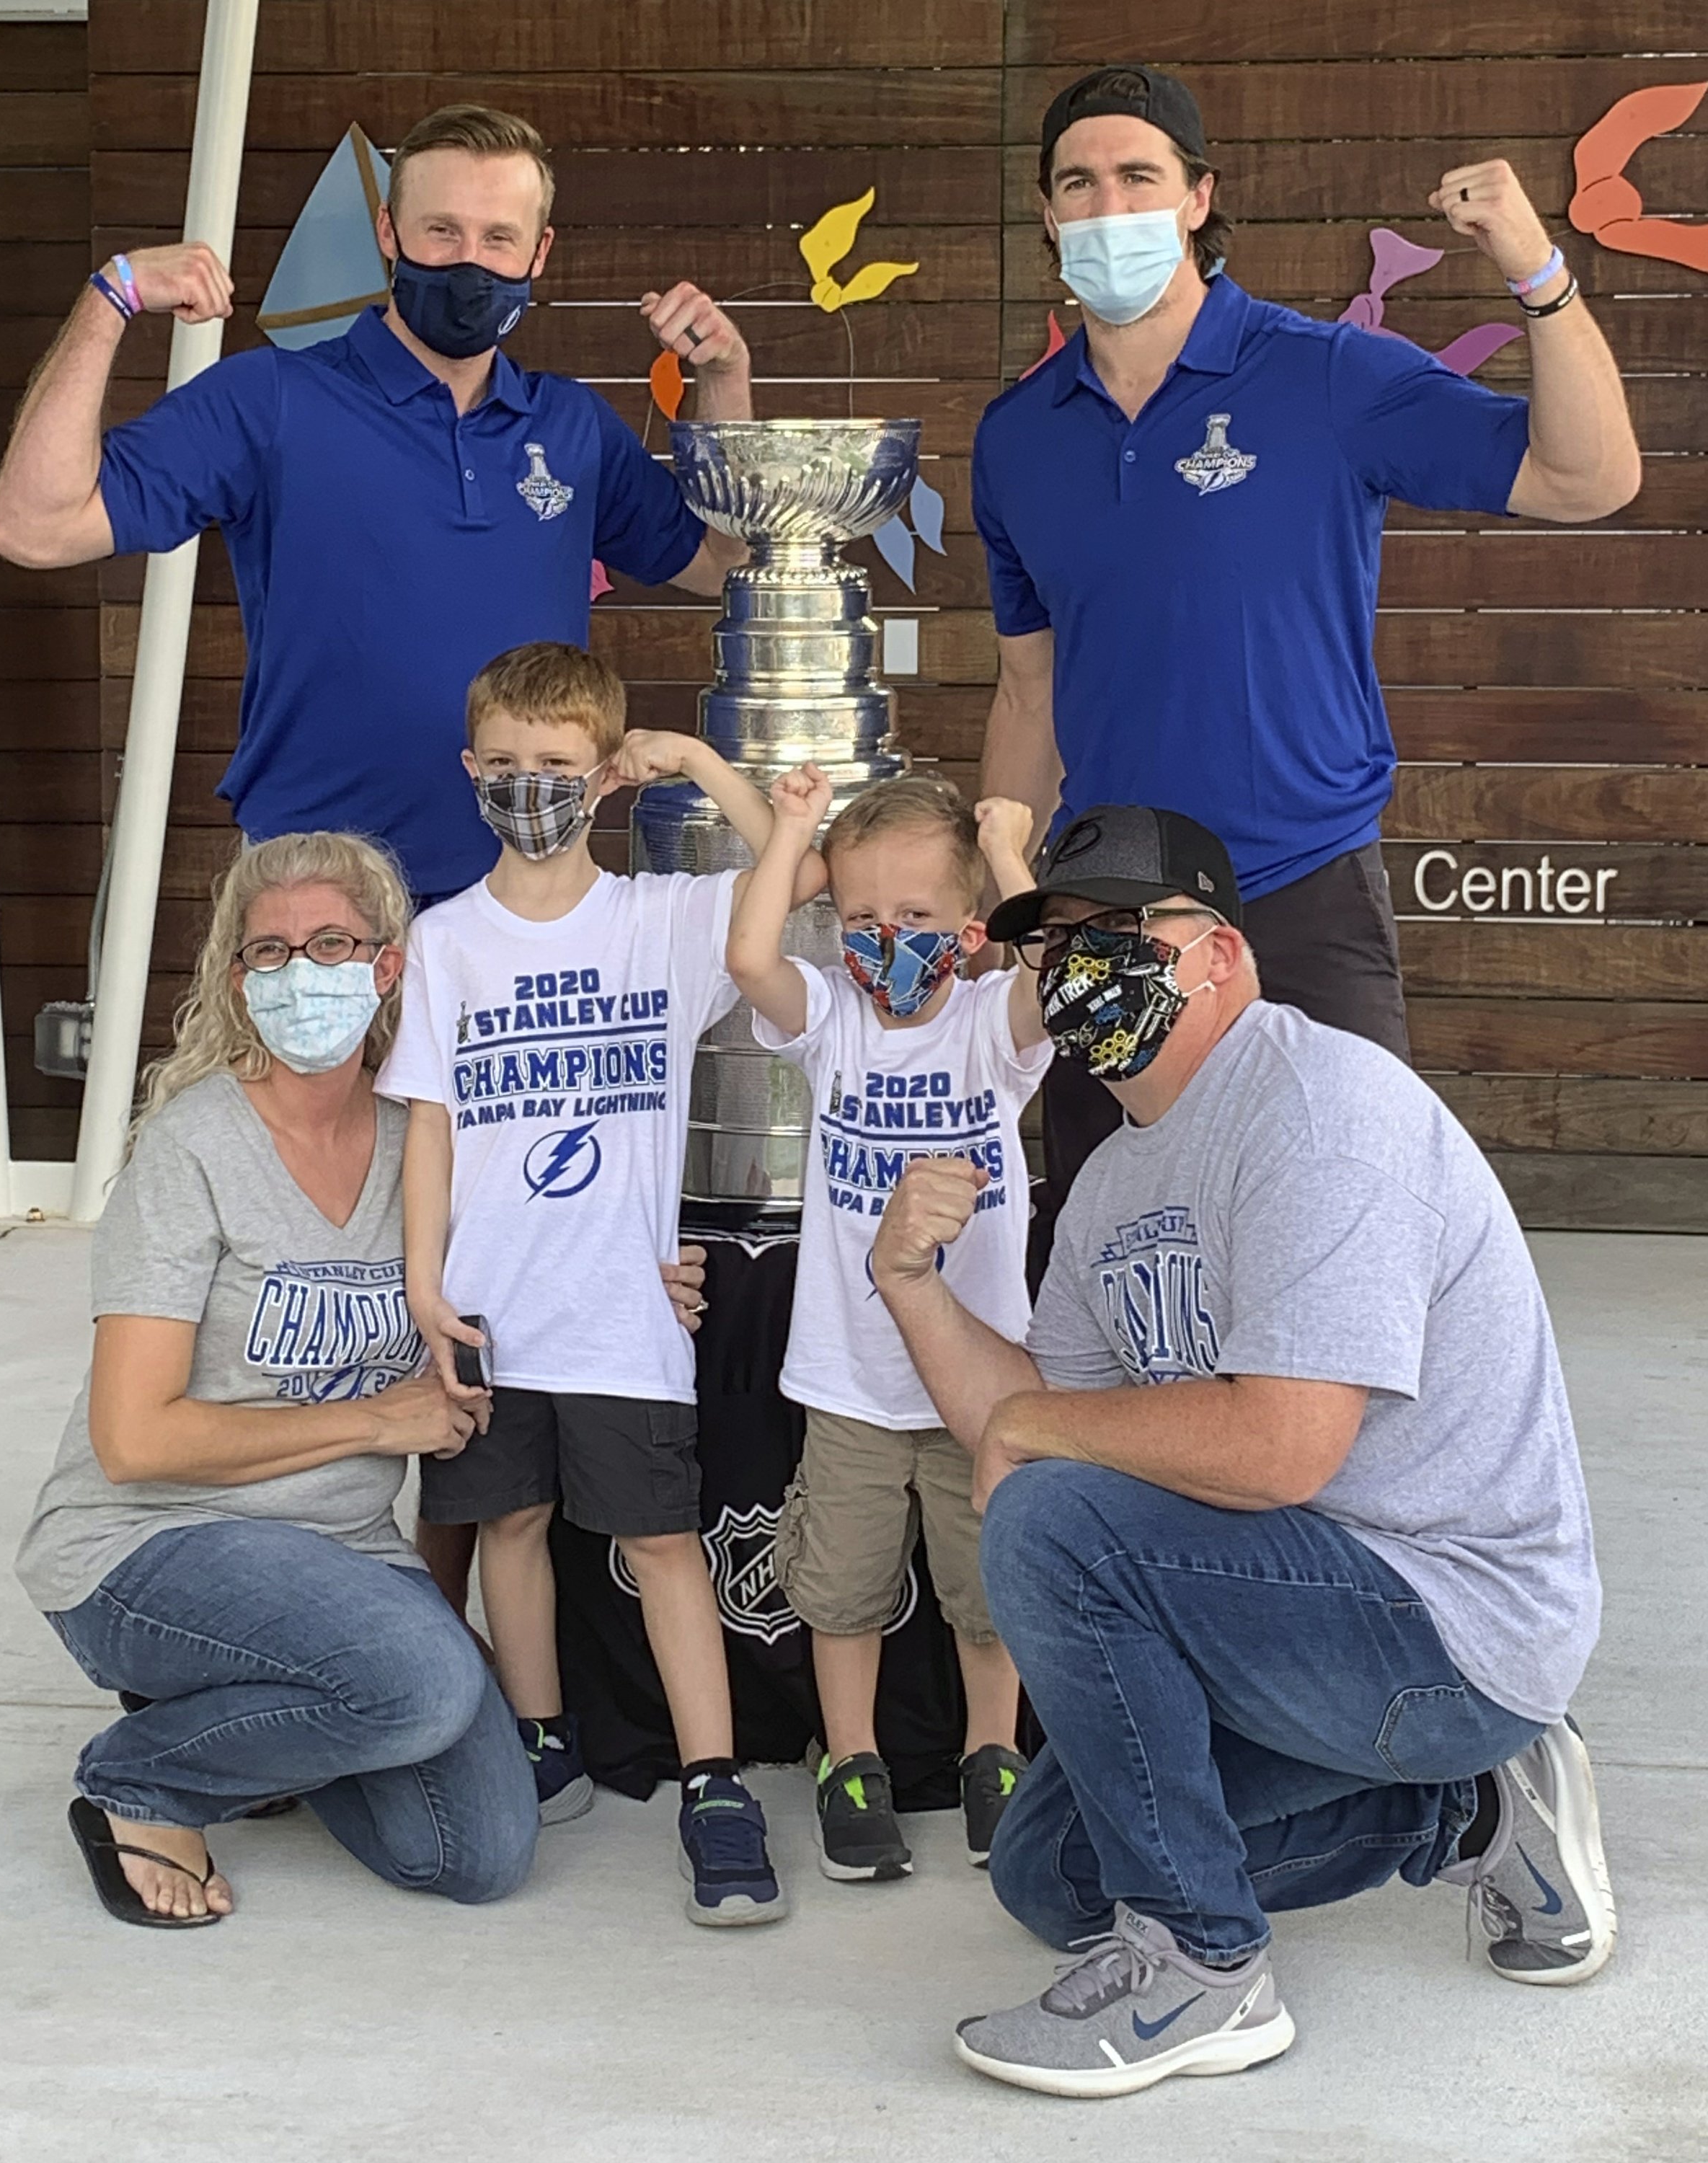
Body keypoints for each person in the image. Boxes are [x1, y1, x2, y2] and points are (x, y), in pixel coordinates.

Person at [868, 802, 1612, 2096]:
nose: (1072, 971)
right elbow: (1045, 1406)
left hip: (1445, 1619)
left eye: (1115, 933)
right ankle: (1474, 1810)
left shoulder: (1318, 1109)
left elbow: (1278, 1448)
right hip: (1300, 1609)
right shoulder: (1111, 1181)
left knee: (1049, 1513)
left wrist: (1038, 1435)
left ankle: (1204, 1971)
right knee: (1053, 1875)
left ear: (1214, 953)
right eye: (1054, 946)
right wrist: (909, 1283)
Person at [973, 65, 1644, 1201]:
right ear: (1046, 215)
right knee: (1108, 1265)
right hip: (1106, 913)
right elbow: (1027, 693)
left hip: (1298, 894)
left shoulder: (1326, 375)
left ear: (1196, 197)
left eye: (1137, 176)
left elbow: (1589, 478)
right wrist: (1003, 915)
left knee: (1344, 1236)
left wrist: (1535, 275)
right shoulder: (1013, 438)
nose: (1106, 207)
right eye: (1076, 184)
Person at [0, 99, 751, 903]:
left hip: (521, 899)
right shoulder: (271, 399)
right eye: (440, 231)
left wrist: (723, 378)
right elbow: (32, 527)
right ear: (388, 234)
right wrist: (113, 297)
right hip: (322, 904)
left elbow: (719, 562)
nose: (468, 262)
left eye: (498, 238)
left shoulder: (572, 426)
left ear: (539, 252)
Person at [378, 642, 826, 1927]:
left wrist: (687, 761)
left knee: (660, 1542)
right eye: (507, 766)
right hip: (491, 1307)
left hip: (625, 1312)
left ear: (601, 776)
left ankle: (713, 1781)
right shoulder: (448, 939)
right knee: (508, 1526)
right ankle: (540, 1733)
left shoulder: (658, 920)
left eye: (559, 767)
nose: (531, 787)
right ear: (470, 772)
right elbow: (430, 1126)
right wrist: (423, 1283)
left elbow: (794, 890)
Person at [16, 833, 523, 1927]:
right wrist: (378, 1420)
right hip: (150, 1543)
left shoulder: (419, 1144)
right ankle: (140, 1778)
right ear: (238, 980)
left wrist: (653, 1273)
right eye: (270, 952)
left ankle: (265, 1705)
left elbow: (541, 1242)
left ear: (386, 966)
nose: (302, 973)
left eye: (331, 942)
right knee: (422, 1684)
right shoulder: (193, 1150)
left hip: (341, 1552)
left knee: (470, 1851)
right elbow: (133, 1442)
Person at [725, 772, 1052, 1880]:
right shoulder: (831, 1023)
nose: (885, 940)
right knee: (843, 1587)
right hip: (850, 1376)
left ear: (967, 931)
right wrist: (793, 840)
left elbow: (1065, 982)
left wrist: (1008, 855)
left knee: (986, 1590)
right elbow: (749, 960)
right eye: (861, 918)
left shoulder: (989, 1030)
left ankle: (992, 1754)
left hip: (979, 1380)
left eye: (915, 918)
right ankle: (849, 1757)